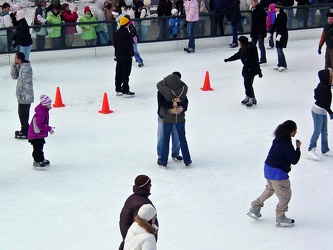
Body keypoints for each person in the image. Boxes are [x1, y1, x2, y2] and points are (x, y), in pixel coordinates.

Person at [247, 120, 301, 227]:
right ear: (291, 131)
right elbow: (293, 160)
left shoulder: (278, 138)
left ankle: (255, 207)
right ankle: (280, 217)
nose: (296, 131)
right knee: (285, 195)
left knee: (270, 189)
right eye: (296, 129)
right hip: (278, 173)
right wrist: (298, 148)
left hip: (268, 168)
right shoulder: (286, 143)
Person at [156, 73, 192, 167]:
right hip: (163, 116)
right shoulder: (179, 89)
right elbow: (161, 103)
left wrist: (182, 107)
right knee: (162, 136)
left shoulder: (166, 89)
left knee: (174, 137)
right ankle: (161, 155)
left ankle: (175, 153)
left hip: (170, 117)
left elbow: (185, 102)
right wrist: (174, 105)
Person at [119, 175, 159, 250]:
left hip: (130, 241)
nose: (151, 185)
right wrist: (153, 231)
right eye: (149, 184)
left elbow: (124, 222)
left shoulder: (131, 198)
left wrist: (128, 240)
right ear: (145, 186)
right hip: (137, 242)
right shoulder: (143, 204)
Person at [224, 35, 262, 107]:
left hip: (251, 69)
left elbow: (255, 61)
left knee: (248, 84)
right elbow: (237, 55)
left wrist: (259, 71)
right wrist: (228, 59)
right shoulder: (242, 49)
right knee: (246, 84)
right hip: (246, 69)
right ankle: (248, 96)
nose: (238, 44)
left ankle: (251, 99)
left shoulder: (251, 49)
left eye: (239, 42)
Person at [307, 68, 333, 161]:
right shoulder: (324, 88)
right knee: (317, 131)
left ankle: (325, 149)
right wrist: (330, 112)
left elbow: (316, 94)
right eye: (330, 77)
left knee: (324, 130)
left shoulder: (324, 85)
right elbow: (324, 102)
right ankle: (311, 149)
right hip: (317, 111)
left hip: (322, 111)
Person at [10, 52, 34, 139]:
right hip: (22, 96)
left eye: (15, 58)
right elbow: (14, 76)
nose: (14, 60)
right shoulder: (20, 67)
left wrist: (20, 93)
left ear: (19, 60)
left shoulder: (25, 69)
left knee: (23, 114)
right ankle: (24, 129)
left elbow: (24, 83)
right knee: (22, 114)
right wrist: (14, 66)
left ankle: (25, 131)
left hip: (25, 96)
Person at [27, 94, 55, 170]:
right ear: (45, 105)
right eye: (49, 104)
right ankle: (36, 161)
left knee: (40, 146)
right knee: (37, 148)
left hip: (39, 134)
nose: (50, 105)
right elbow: (40, 125)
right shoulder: (41, 113)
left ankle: (41, 159)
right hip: (36, 134)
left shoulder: (44, 110)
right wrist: (48, 128)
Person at [114, 16, 135, 97]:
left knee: (118, 72)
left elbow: (115, 44)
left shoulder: (116, 32)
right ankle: (125, 90)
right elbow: (129, 45)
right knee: (125, 73)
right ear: (126, 24)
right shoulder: (126, 33)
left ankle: (118, 89)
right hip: (126, 57)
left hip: (118, 55)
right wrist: (131, 53)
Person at [268, 1, 289, 72]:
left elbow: (282, 26)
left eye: (276, 7)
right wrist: (270, 33)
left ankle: (283, 65)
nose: (275, 9)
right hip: (278, 34)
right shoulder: (278, 15)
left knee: (279, 49)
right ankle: (280, 63)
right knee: (278, 49)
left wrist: (280, 34)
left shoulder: (283, 15)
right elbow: (275, 25)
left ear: (279, 8)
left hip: (283, 34)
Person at [250, 0, 267, 64]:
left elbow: (262, 23)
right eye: (251, 2)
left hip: (259, 32)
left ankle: (263, 59)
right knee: (252, 46)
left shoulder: (260, 10)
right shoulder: (254, 10)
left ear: (256, 2)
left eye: (252, 2)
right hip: (255, 32)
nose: (251, 4)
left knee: (261, 46)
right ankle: (254, 58)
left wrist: (260, 32)